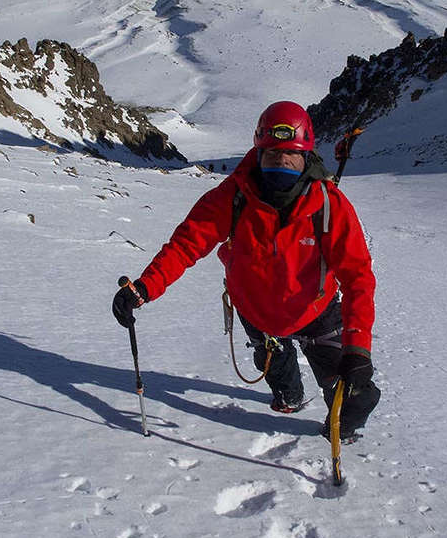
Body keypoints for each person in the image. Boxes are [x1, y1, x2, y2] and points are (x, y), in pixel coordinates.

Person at [112, 100, 380, 441]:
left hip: (316, 311)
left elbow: (357, 277)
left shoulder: (329, 205)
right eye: (271, 152)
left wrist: (357, 349)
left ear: (306, 155)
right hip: (257, 313)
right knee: (280, 376)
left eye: (290, 153)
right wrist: (144, 288)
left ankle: (340, 424)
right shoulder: (232, 196)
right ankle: (289, 394)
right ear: (258, 152)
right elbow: (186, 245)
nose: (281, 160)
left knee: (353, 398)